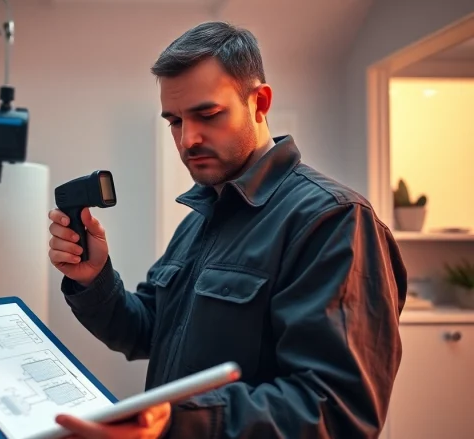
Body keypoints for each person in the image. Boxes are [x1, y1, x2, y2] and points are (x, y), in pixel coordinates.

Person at [49, 21, 407, 439]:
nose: (187, 140)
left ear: (260, 103)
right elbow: (147, 329)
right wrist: (94, 278)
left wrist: (176, 422)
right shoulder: (201, 217)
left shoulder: (333, 221)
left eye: (207, 114)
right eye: (175, 121)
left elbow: (336, 410)